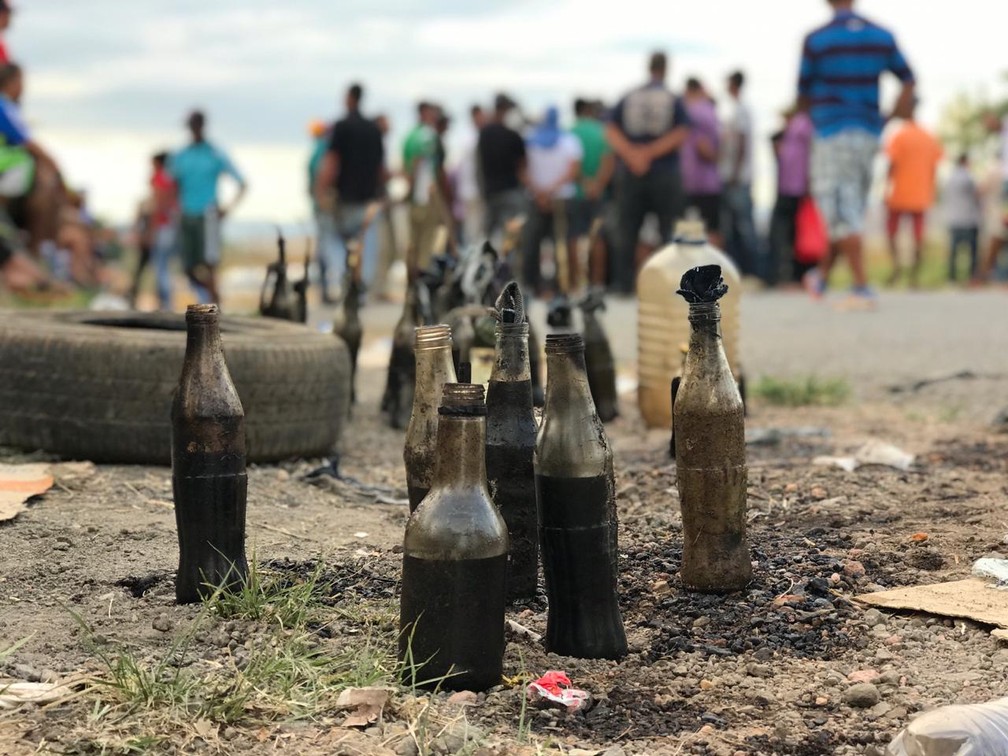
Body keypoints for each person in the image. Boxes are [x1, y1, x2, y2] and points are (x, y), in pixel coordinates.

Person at [798, 0, 916, 306]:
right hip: (868, 132)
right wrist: (891, 115)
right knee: (850, 207)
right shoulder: (880, 35)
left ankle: (861, 286)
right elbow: (908, 78)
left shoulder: (818, 39)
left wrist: (813, 121)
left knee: (839, 209)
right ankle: (821, 278)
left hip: (832, 132)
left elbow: (802, 94)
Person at [605, 51, 690, 294]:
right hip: (664, 170)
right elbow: (681, 132)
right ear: (666, 69)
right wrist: (650, 153)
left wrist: (633, 155)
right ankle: (673, 284)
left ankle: (624, 283)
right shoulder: (672, 98)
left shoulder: (630, 96)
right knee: (669, 229)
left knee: (628, 228)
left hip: (632, 171)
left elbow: (610, 129)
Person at [168, 110, 246, 304]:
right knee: (187, 267)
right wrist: (173, 209)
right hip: (186, 215)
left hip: (208, 215)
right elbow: (171, 186)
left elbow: (242, 183)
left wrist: (227, 208)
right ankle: (215, 299)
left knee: (210, 264)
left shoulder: (214, 153)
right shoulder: (180, 155)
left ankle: (215, 310)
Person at [314, 83, 386, 291]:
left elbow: (331, 162)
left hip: (345, 200)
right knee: (366, 245)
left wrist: (320, 191)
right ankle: (361, 285)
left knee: (335, 241)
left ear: (349, 98)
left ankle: (340, 280)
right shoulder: (374, 130)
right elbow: (381, 168)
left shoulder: (342, 126)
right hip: (369, 200)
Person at [0, 63, 65, 266]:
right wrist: (54, 165)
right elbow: (27, 142)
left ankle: (37, 255)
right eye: (21, 81)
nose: (23, 87)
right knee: (46, 187)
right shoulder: (3, 105)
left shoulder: (11, 108)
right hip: (6, 171)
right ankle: (35, 254)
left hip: (12, 172)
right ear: (12, 82)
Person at [520, 105, 582, 295]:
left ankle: (533, 286)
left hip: (536, 198)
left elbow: (522, 170)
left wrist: (540, 192)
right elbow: (573, 171)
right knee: (560, 243)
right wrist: (551, 191)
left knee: (532, 243)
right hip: (562, 198)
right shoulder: (570, 141)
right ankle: (561, 286)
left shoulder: (529, 141)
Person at [884, 99, 942, 287]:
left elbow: (891, 164)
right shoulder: (929, 136)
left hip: (899, 193)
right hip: (921, 193)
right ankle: (914, 277)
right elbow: (935, 165)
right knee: (918, 236)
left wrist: (885, 188)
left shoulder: (899, 135)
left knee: (892, 233)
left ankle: (897, 269)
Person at [569, 97, 615, 288]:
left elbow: (570, 163)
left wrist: (585, 184)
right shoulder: (603, 132)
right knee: (598, 238)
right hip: (599, 195)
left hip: (574, 193)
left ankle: (574, 283)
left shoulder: (569, 133)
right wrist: (598, 185)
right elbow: (609, 161)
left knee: (573, 237)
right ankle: (597, 283)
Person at [404, 102, 452, 277]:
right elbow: (424, 165)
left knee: (413, 243)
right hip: (427, 195)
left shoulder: (410, 135)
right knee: (427, 243)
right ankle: (422, 282)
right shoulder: (427, 136)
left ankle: (413, 281)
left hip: (415, 197)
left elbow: (407, 166)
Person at [769, 106, 815, 284]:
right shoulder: (789, 134)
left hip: (799, 189)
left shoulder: (803, 125)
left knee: (797, 234)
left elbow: (811, 153)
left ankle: (799, 275)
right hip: (787, 188)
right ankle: (785, 275)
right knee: (785, 234)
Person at [719, 70, 758, 276]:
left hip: (739, 178)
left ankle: (754, 271)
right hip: (735, 176)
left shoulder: (741, 110)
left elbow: (742, 143)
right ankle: (742, 270)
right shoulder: (736, 109)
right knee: (735, 227)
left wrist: (735, 172)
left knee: (744, 227)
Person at [129, 151, 177, 309]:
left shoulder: (160, 179)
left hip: (160, 227)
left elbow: (157, 207)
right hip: (169, 226)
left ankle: (165, 303)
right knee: (163, 266)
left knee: (160, 267)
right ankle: (165, 302)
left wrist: (150, 232)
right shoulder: (171, 179)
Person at [478, 93, 527, 245]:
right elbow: (522, 167)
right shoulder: (513, 135)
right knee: (511, 236)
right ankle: (507, 267)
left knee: (488, 237)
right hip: (510, 191)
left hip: (490, 192)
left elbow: (479, 165)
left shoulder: (484, 134)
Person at [680, 79, 722, 247]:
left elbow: (703, 147)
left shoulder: (694, 111)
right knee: (712, 229)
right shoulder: (709, 110)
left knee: (689, 231)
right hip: (708, 182)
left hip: (695, 182)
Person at [307, 119, 340, 303]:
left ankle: (326, 289)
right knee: (328, 248)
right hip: (323, 206)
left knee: (325, 248)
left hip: (321, 206)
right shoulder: (324, 150)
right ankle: (327, 288)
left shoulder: (320, 149)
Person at [942, 154, 981, 283]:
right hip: (968, 220)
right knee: (972, 251)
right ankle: (972, 276)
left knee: (954, 251)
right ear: (965, 162)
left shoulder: (950, 178)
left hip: (954, 219)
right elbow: (976, 194)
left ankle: (952, 277)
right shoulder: (967, 177)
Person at [455, 104, 487, 246]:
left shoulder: (470, 137)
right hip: (474, 190)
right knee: (474, 232)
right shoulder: (473, 139)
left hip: (473, 190)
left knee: (476, 231)